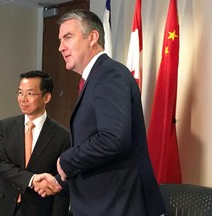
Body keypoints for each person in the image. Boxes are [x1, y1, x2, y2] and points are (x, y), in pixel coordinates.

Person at [37, 9, 166, 216]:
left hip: (116, 204)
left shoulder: (109, 74)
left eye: (68, 37)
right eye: (60, 40)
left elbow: (113, 138)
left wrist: (67, 160)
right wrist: (61, 179)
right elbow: (93, 142)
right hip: (100, 202)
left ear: (92, 37)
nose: (61, 47)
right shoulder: (96, 77)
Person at [0, 70, 70, 216]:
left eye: (30, 94)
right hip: (3, 204)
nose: (23, 99)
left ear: (46, 97)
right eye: (20, 93)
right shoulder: (6, 126)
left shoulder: (62, 135)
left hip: (38, 208)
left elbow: (62, 181)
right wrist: (31, 179)